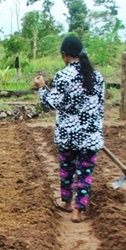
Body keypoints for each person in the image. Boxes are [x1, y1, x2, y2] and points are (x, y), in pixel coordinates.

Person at [35, 35, 105, 223]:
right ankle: (78, 211)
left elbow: (50, 104)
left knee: (67, 169)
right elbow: (99, 106)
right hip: (90, 135)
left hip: (68, 134)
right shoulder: (97, 77)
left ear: (64, 54)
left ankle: (66, 202)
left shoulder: (63, 76)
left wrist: (42, 87)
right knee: (85, 174)